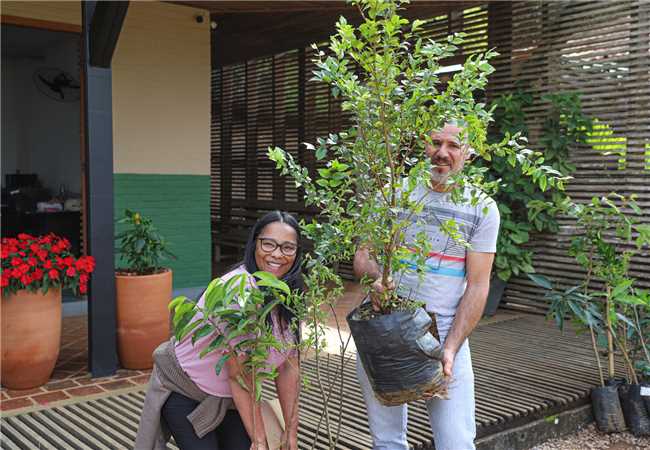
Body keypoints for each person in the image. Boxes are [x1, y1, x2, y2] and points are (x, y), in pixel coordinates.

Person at [353, 122, 500, 450]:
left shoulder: (481, 207)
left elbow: (478, 286)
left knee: (457, 443)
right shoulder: (392, 196)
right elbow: (363, 255)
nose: (442, 153)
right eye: (435, 142)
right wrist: (376, 278)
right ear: (424, 145)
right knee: (387, 442)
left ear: (469, 153)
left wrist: (450, 347)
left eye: (453, 145)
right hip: (383, 327)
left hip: (444, 331)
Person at [136, 211, 302, 450]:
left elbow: (288, 365)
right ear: (254, 243)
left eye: (288, 248)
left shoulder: (290, 293)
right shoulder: (239, 293)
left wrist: (291, 432)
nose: (277, 254)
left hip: (231, 399)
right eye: (268, 244)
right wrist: (259, 440)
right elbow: (239, 374)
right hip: (187, 391)